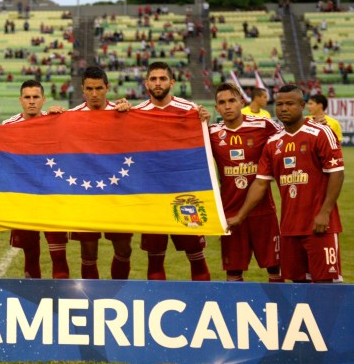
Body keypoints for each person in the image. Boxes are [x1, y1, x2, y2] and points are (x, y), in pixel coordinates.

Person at [227, 85, 344, 283]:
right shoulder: (273, 142)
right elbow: (260, 184)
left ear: (302, 105)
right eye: (279, 104)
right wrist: (240, 216)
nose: (283, 108)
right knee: (297, 285)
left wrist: (325, 212)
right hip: (289, 230)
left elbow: (336, 173)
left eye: (290, 104)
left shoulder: (320, 133)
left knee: (327, 285)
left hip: (320, 226)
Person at [133, 61, 211, 281]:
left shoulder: (190, 110)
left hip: (185, 196)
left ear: (172, 82)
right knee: (155, 258)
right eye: (154, 79)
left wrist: (205, 122)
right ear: (146, 83)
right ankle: (157, 303)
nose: (158, 83)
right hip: (152, 197)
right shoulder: (136, 113)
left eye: (163, 79)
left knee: (196, 256)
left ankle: (203, 301)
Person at [54, 66, 133, 280]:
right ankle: (93, 300)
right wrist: (51, 118)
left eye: (99, 88)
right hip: (86, 194)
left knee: (124, 249)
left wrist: (130, 112)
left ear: (107, 88)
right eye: (90, 89)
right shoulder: (71, 116)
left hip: (117, 194)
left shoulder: (121, 113)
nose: (95, 94)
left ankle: (119, 291)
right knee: (88, 253)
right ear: (82, 89)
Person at [210, 82, 283, 282]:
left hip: (263, 210)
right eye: (222, 102)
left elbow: (289, 138)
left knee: (275, 268)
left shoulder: (263, 126)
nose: (227, 106)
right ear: (216, 107)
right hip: (230, 212)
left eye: (232, 100)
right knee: (233, 272)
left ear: (241, 102)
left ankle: (280, 311)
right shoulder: (211, 133)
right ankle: (235, 310)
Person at [2, 80, 70, 279]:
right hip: (24, 199)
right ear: (20, 100)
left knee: (59, 254)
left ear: (43, 100)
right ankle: (35, 299)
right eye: (27, 97)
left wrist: (62, 117)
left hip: (52, 197)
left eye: (35, 97)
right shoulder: (8, 126)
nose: (31, 102)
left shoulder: (55, 122)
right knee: (30, 254)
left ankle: (62, 299)